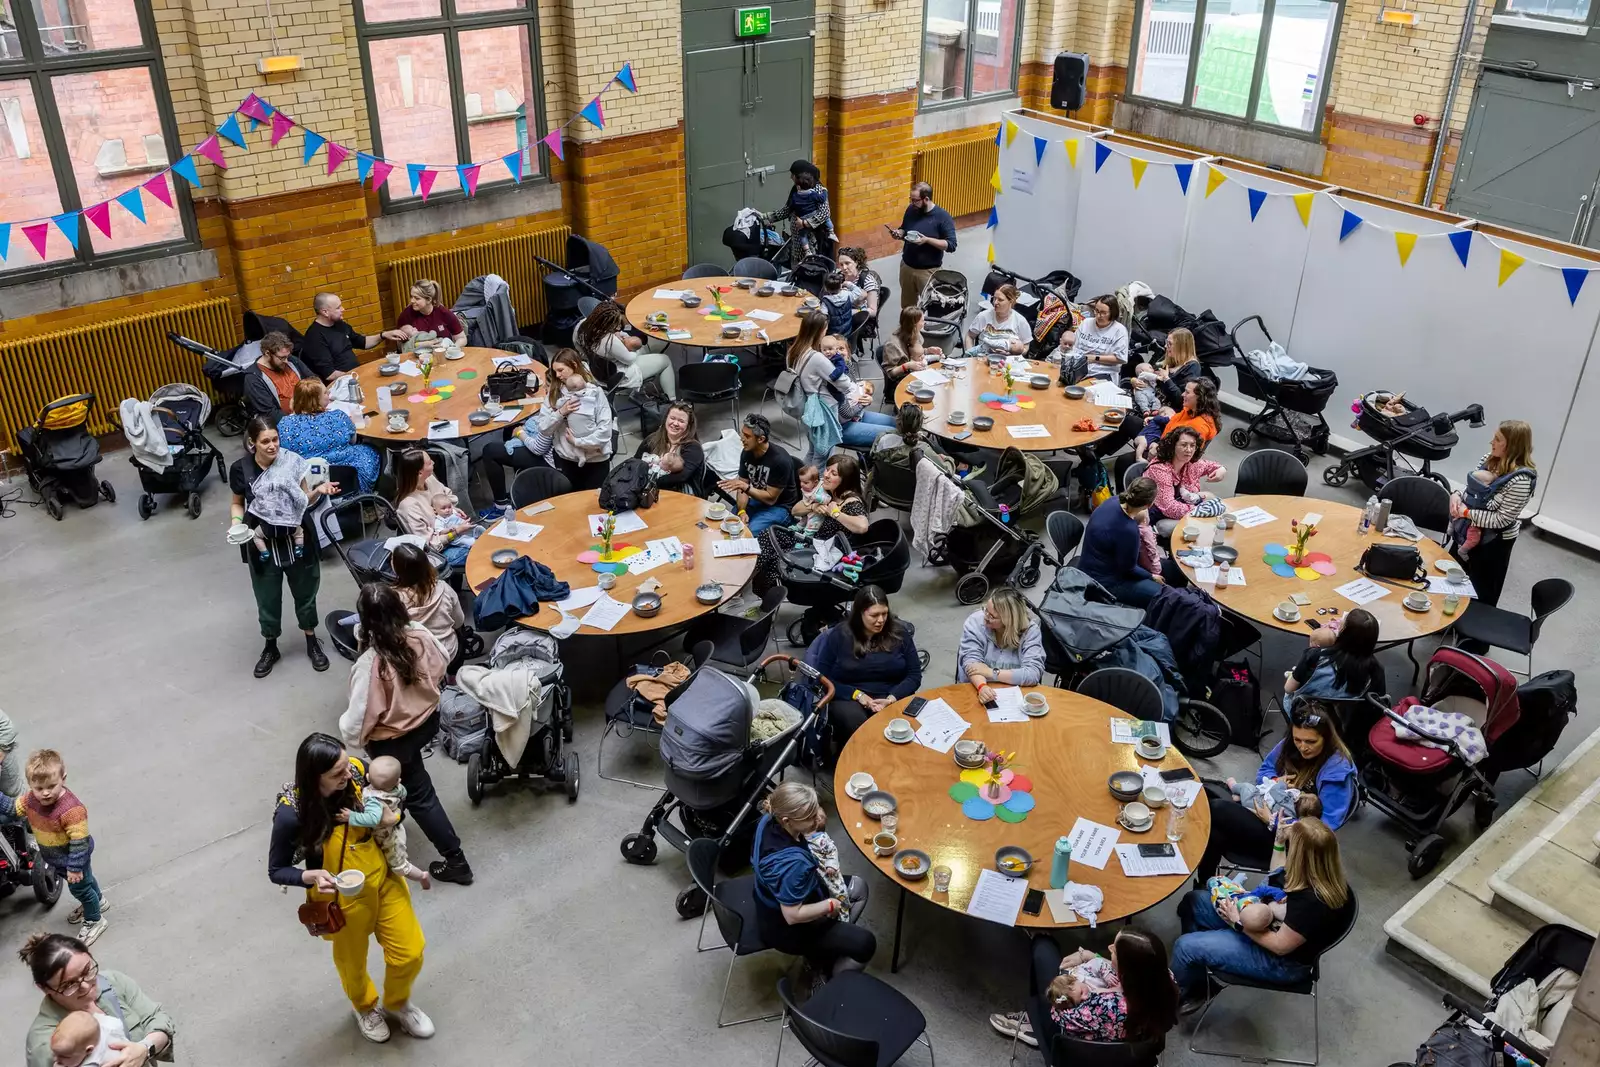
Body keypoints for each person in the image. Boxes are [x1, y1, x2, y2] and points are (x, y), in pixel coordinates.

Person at [267, 734, 432, 1043]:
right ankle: (365, 1007)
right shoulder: (292, 813)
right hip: (338, 897)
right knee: (352, 964)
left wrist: (392, 816)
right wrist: (310, 876)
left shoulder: (356, 771)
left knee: (410, 952)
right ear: (314, 777)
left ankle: (397, 1003)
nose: (350, 774)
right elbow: (276, 870)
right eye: (337, 773)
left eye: (347, 765)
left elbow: (390, 791)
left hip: (382, 879)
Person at [340, 583, 473, 885]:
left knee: (420, 796)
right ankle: (394, 814)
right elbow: (442, 663)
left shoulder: (370, 664)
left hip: (392, 742)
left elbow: (357, 719)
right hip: (426, 724)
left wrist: (356, 740)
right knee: (412, 786)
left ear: (364, 621)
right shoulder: (420, 635)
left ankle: (457, 861)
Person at [1171, 818, 1354, 1012]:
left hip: (1280, 960)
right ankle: (1199, 978)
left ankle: (1178, 996)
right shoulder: (1315, 872)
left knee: (1185, 947)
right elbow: (1277, 874)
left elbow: (1279, 946)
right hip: (1264, 920)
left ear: (1301, 857)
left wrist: (1238, 923)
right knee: (1193, 902)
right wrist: (1279, 842)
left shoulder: (1312, 903)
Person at [1194, 705, 1357, 883]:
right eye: (1298, 740)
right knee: (1210, 810)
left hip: (1290, 840)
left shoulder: (1337, 771)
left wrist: (1272, 820)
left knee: (1217, 809)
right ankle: (1206, 885)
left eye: (1311, 742)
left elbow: (1323, 830)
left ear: (1327, 739)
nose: (1303, 747)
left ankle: (1204, 885)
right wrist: (1275, 781)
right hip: (1268, 808)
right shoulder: (1290, 744)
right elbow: (1265, 770)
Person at [229, 416, 335, 677]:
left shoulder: (292, 461)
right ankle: (270, 646)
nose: (272, 446)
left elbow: (303, 500)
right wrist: (235, 523)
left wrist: (320, 490)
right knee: (267, 597)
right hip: (261, 541)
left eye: (275, 439)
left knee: (306, 592)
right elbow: (237, 503)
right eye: (265, 441)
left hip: (297, 539)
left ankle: (312, 641)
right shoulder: (241, 469)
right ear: (252, 443)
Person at [751, 781, 874, 979]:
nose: (816, 819)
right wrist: (830, 904)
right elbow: (793, 915)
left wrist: (815, 829)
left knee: (859, 887)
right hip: (787, 928)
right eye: (809, 817)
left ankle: (828, 947)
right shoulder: (793, 865)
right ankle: (829, 981)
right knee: (865, 944)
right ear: (787, 820)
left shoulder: (768, 819)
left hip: (768, 901)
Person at [990, 928, 1179, 1049]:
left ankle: (1032, 1023)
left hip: (1080, 1044)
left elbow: (1059, 1012)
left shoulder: (1106, 1006)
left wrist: (1065, 985)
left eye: (1114, 951)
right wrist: (1090, 956)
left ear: (1127, 970)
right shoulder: (1166, 979)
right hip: (1128, 1041)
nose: (1109, 947)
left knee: (1043, 948)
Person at [1, 750, 106, 945]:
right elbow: (13, 808)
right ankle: (98, 902)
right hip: (58, 858)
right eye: (39, 787)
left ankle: (95, 920)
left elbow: (80, 842)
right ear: (30, 784)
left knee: (80, 889)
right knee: (87, 881)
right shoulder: (33, 799)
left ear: (63, 778)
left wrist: (74, 868)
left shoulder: (71, 810)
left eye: (51, 786)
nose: (45, 792)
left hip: (72, 858)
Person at [21, 933, 174, 1067]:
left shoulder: (113, 982)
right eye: (69, 984)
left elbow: (157, 1019)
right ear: (44, 988)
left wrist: (144, 1049)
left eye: (87, 970)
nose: (86, 985)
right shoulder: (44, 1043)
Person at [808, 585, 922, 747]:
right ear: (860, 614)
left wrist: (891, 698)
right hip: (850, 697)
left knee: (905, 730)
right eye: (874, 615)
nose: (881, 620)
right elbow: (821, 678)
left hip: (891, 694)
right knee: (859, 726)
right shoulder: (840, 635)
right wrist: (858, 695)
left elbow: (914, 675)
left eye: (884, 614)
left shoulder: (899, 633)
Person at [753, 453, 872, 594]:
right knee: (767, 535)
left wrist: (836, 513)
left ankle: (767, 598)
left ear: (844, 480)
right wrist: (813, 507)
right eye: (827, 469)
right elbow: (795, 511)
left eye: (833, 473)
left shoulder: (851, 501)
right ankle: (749, 577)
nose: (826, 475)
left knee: (775, 560)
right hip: (810, 537)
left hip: (821, 550)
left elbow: (863, 526)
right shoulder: (825, 489)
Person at [1449, 420, 1536, 607]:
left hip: (1493, 542)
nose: (1492, 442)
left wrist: (1465, 513)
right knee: (1450, 574)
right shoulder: (1489, 458)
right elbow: (1472, 490)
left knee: (1480, 589)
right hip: (1467, 529)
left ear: (1512, 446)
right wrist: (1456, 496)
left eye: (1497, 439)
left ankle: (1471, 631)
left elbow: (1501, 519)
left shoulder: (1521, 481)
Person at [789, 312, 894, 461]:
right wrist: (861, 397)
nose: (836, 353)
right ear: (820, 331)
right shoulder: (820, 360)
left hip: (821, 414)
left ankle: (805, 482)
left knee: (813, 454)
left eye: (841, 349)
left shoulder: (797, 351)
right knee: (820, 460)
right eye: (832, 349)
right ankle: (814, 483)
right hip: (835, 419)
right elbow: (846, 391)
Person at [1079, 478, 1175, 608]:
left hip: (1089, 565)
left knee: (1171, 569)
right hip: (1104, 582)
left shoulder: (1112, 501)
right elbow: (1129, 569)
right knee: (1162, 596)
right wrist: (1151, 576)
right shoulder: (1128, 529)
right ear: (1149, 505)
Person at [341, 754, 431, 890]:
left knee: (399, 866)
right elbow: (404, 794)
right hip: (395, 827)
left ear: (367, 778)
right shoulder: (398, 788)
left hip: (390, 838)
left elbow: (373, 819)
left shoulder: (374, 800)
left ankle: (421, 876)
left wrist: (351, 816)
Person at [275, 378, 381, 493]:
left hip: (308, 483)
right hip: (346, 476)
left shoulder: (284, 424)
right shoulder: (338, 417)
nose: (329, 393)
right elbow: (353, 440)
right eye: (325, 393)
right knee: (370, 450)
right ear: (315, 400)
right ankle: (364, 493)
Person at [535, 348, 615, 491]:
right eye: (555, 372)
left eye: (561, 370)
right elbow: (544, 428)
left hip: (596, 460)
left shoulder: (595, 393)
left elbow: (604, 431)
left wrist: (579, 442)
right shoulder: (554, 395)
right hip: (567, 460)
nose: (557, 375)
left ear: (574, 365)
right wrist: (561, 413)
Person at [1284, 608, 1385, 713]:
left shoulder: (1316, 656)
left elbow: (1288, 689)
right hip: (1342, 723)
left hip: (1305, 717)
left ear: (1343, 631)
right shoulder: (1376, 671)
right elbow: (1376, 705)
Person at [959, 587, 1047, 700]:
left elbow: (1033, 674)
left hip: (1016, 696)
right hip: (977, 689)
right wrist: (982, 687)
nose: (986, 617)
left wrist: (991, 673)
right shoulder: (975, 622)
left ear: (1009, 621)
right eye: (986, 610)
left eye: (992, 616)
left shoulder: (1030, 631)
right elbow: (971, 663)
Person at [574, 300, 674, 398]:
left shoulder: (580, 327)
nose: (618, 328)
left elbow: (580, 349)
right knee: (665, 360)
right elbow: (630, 360)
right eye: (614, 325)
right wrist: (632, 349)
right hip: (620, 375)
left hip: (598, 373)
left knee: (643, 351)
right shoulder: (609, 340)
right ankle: (672, 400)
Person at [719, 413, 799, 535]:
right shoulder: (747, 453)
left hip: (781, 507)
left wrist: (745, 487)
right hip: (758, 500)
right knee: (730, 523)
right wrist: (742, 512)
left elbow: (770, 499)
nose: (742, 438)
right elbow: (742, 486)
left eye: (747, 436)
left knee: (749, 532)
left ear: (760, 439)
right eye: (742, 433)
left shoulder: (780, 460)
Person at [390, 542, 464, 667]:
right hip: (448, 652)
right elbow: (459, 621)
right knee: (460, 635)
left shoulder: (393, 599)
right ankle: (453, 679)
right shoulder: (444, 589)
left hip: (420, 661)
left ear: (397, 569)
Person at [301, 292, 404, 382]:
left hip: (355, 375)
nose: (343, 309)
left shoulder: (339, 324)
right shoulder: (314, 337)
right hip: (342, 384)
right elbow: (330, 374)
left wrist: (383, 335)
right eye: (338, 307)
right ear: (325, 312)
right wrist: (359, 376)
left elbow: (362, 342)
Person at [892, 181, 957, 307]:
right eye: (911, 199)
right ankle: (909, 327)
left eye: (915, 200)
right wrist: (899, 233)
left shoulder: (942, 217)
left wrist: (927, 240)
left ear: (926, 199)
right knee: (907, 307)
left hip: (928, 271)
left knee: (931, 306)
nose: (912, 203)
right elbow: (904, 228)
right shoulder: (912, 209)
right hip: (907, 267)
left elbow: (951, 245)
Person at [1146, 426, 1227, 522]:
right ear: (1173, 446)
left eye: (1192, 445)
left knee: (1210, 498)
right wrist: (1203, 510)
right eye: (1184, 445)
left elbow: (1211, 465)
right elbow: (1170, 508)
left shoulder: (1190, 463)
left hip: (1184, 507)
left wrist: (1222, 469)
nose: (1189, 450)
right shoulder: (1160, 469)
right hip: (1158, 515)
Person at [764, 161, 834, 267]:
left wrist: (805, 223)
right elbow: (787, 210)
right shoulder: (797, 189)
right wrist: (766, 217)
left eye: (793, 174)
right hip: (798, 242)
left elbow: (825, 212)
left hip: (814, 241)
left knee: (811, 270)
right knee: (797, 268)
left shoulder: (817, 190)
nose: (791, 177)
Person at [479, 418, 558, 507]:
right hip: (550, 449)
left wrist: (520, 433)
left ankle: (501, 506)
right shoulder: (563, 410)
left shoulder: (559, 414)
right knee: (509, 429)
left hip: (549, 460)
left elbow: (538, 448)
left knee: (489, 451)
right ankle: (519, 490)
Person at [1138, 377, 1222, 459]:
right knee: (1130, 421)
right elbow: (1174, 421)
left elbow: (1182, 455)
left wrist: (1157, 449)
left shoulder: (1199, 427)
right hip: (1163, 438)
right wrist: (1155, 419)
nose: (1182, 394)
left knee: (1126, 460)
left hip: (1164, 454)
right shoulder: (1191, 409)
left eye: (1187, 392)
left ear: (1200, 397)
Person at [242, 331, 314, 423]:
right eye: (282, 358)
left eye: (288, 356)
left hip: (310, 413)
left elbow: (313, 379)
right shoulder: (254, 378)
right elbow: (269, 413)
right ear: (267, 353)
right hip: (288, 423)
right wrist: (299, 421)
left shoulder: (291, 360)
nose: (286, 361)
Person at [634, 401, 705, 494]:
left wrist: (650, 482)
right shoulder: (651, 439)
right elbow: (635, 463)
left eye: (681, 421)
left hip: (681, 494)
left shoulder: (693, 448)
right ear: (666, 418)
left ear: (689, 425)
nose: (675, 423)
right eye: (672, 418)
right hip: (649, 491)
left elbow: (682, 477)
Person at [1059, 294, 1129, 378]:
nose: (1098, 315)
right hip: (1077, 368)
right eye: (1097, 311)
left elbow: (1120, 359)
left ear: (1112, 313)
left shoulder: (1119, 330)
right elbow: (1074, 346)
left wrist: (1095, 358)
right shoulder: (1086, 323)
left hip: (1102, 372)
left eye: (1103, 313)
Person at [880, 306, 941, 391]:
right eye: (922, 321)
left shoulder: (915, 333)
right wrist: (907, 366)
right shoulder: (893, 344)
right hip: (899, 382)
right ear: (914, 324)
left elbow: (915, 353)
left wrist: (928, 350)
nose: (924, 323)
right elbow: (890, 373)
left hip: (914, 374)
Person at [394, 280, 466, 346]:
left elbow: (462, 338)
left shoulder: (444, 313)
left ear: (429, 300)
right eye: (411, 297)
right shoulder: (406, 314)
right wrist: (424, 344)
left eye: (417, 298)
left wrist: (452, 348)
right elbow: (400, 345)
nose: (412, 301)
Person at [966, 284, 1031, 356]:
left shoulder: (1020, 321)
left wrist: (1012, 353)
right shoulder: (983, 316)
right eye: (994, 298)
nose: (995, 302)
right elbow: (970, 336)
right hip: (983, 359)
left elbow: (1025, 347)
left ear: (1011, 301)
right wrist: (971, 357)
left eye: (1000, 300)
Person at [49, 1008, 124, 1067]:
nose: (56, 1059)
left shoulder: (94, 1062)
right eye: (54, 1053)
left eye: (64, 1057)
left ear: (89, 1050)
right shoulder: (108, 1026)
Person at [1154, 326, 1206, 409]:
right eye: (1166, 342)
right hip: (1153, 400)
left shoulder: (1193, 367)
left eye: (1169, 343)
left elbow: (1180, 399)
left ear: (1181, 346)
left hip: (1167, 410)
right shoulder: (1171, 358)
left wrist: (1166, 379)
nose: (1165, 346)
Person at [836, 246, 882, 317]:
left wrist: (853, 312)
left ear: (856, 262)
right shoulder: (840, 277)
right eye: (841, 265)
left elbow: (873, 311)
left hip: (860, 319)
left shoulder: (867, 280)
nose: (844, 268)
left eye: (847, 263)